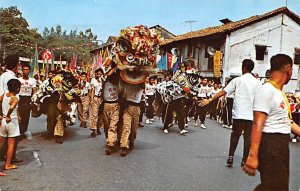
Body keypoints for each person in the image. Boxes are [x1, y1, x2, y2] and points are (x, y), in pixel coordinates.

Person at [243, 54, 300, 191]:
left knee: (273, 186)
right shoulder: (267, 91)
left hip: (280, 145)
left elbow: (286, 121)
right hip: (271, 144)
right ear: (288, 70)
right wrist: (252, 155)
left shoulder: (278, 92)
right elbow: (257, 123)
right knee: (276, 186)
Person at [200, 59, 261, 167]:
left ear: (243, 68)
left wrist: (209, 100)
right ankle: (244, 160)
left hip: (238, 114)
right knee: (248, 138)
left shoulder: (237, 80)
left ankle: (230, 157)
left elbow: (223, 92)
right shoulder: (258, 83)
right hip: (251, 115)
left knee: (235, 136)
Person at [0, 54, 22, 164]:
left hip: (2, 106)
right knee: (13, 137)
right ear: (16, 65)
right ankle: (11, 157)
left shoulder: (2, 76)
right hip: (10, 110)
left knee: (2, 138)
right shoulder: (13, 78)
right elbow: (15, 97)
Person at [18, 64, 37, 138]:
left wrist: (33, 100)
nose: (25, 71)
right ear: (22, 71)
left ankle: (23, 131)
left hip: (28, 99)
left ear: (29, 71)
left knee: (26, 116)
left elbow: (34, 90)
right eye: (24, 69)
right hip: (20, 98)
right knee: (19, 116)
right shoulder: (19, 80)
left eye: (27, 69)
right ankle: (19, 131)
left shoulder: (32, 80)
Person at [90, 68, 104, 137]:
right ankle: (93, 129)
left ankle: (99, 128)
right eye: (98, 74)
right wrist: (91, 99)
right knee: (94, 114)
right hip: (95, 97)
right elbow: (92, 90)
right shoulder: (93, 80)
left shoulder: (104, 80)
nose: (99, 75)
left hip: (102, 98)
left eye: (100, 74)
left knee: (100, 115)